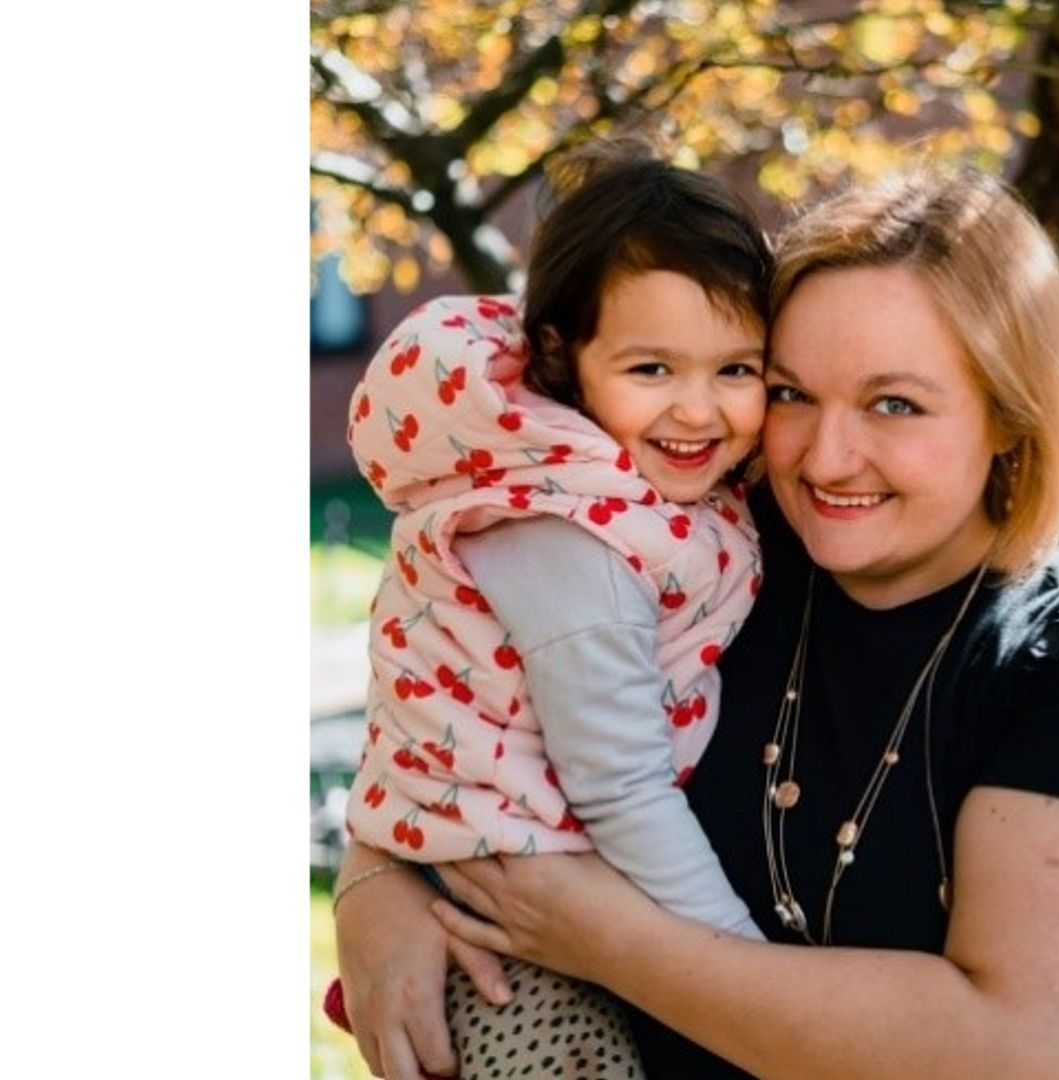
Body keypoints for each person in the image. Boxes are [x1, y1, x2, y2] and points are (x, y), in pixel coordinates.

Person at [335, 165, 1059, 1079]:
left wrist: (607, 939)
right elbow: (454, 716)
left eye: (893, 404)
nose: (827, 458)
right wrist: (376, 886)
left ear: (1010, 416)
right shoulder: (703, 549)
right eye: (789, 392)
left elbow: (1025, 1056)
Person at [329, 143, 778, 1080]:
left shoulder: (593, 479)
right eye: (652, 369)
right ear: (562, 359)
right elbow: (619, 785)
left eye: (737, 370)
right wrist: (741, 969)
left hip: (504, 871)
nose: (700, 411)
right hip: (510, 941)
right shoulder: (574, 541)